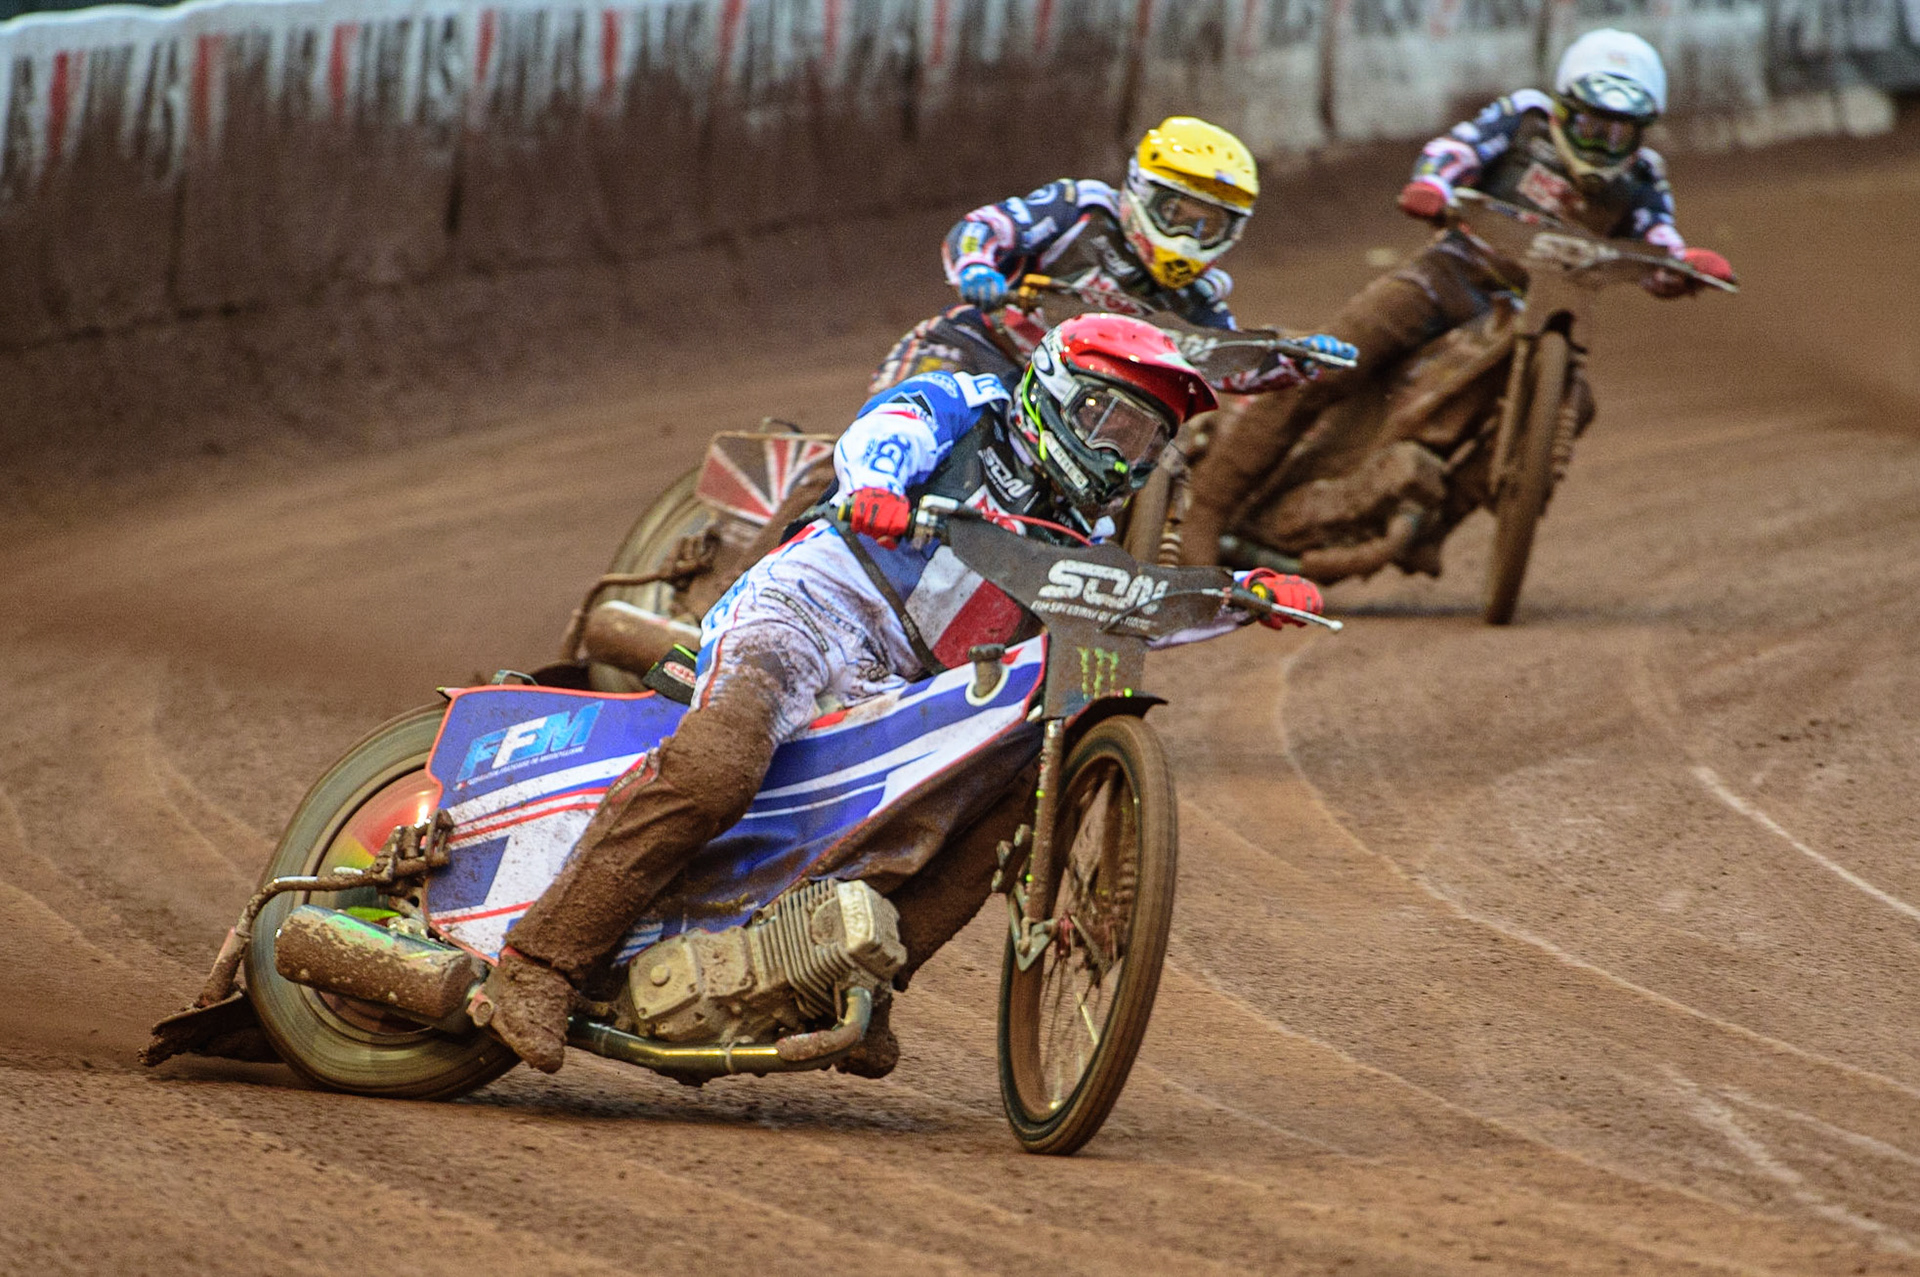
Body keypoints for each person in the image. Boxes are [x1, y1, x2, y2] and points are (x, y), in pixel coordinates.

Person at [476, 315, 1325, 1076]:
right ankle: (540, 964)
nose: (1119, 456)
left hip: (902, 683)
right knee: (721, 765)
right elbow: (889, 426)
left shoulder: (1086, 532)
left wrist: (1243, 593)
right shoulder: (972, 403)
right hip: (810, 611)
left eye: (1144, 444)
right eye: (1113, 421)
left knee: (1013, 804)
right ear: (1060, 390)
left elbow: (1132, 605)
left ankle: (863, 985)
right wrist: (879, 486)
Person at [1178, 28, 1737, 565]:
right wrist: (1433, 185)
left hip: (1535, 313)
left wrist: (1682, 268)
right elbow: (1456, 148)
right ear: (1564, 109)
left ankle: (1436, 527)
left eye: (1620, 133)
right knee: (1334, 359)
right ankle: (1206, 511)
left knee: (1578, 403)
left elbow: (1657, 241)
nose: (1603, 144)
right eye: (1592, 126)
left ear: (1642, 133)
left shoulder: (1643, 177)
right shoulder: (1525, 120)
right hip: (1452, 273)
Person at [872, 116, 1352, 397]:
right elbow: (983, 228)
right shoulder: (1082, 209)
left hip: (1072, 404)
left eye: (1210, 225)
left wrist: (1296, 361)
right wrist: (977, 268)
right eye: (1178, 214)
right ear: (1143, 192)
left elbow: (1221, 360)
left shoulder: (1195, 297)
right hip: (982, 350)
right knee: (905, 424)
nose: (1190, 236)